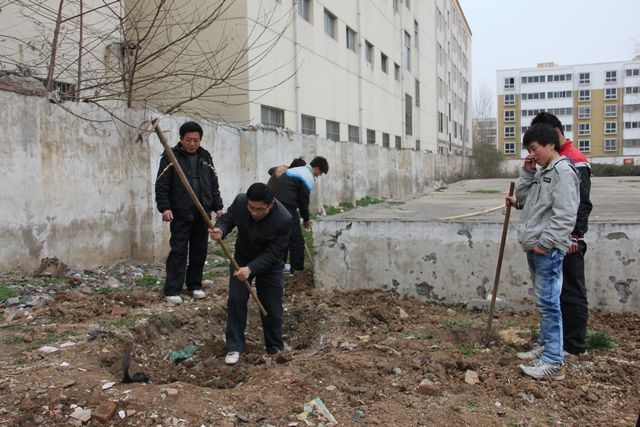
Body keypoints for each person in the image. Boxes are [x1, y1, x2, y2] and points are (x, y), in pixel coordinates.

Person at [505, 123, 579, 380]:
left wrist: (545, 243)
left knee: (549, 302)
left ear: (550, 144)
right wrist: (527, 174)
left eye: (534, 149)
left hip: (546, 248)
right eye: (528, 150)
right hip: (536, 245)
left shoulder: (562, 172)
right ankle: (547, 347)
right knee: (545, 302)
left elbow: (566, 215)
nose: (532, 154)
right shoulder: (543, 171)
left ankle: (553, 362)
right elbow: (525, 201)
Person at [531, 112, 593, 356]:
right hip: (553, 237)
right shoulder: (551, 163)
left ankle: (574, 344)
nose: (533, 153)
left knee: (570, 291)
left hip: (567, 239)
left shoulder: (572, 162)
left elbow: (580, 205)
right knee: (552, 294)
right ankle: (554, 343)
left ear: (553, 134)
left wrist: (576, 236)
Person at [209, 183, 292, 365]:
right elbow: (228, 219)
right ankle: (235, 347)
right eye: (251, 207)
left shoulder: (284, 219)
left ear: (270, 205)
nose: (254, 212)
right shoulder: (240, 202)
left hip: (269, 264)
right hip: (242, 257)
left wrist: (251, 269)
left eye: (259, 209)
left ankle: (274, 347)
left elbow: (274, 252)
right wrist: (220, 230)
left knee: (271, 304)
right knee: (236, 300)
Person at [155, 121, 223, 304]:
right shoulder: (171, 157)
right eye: (189, 140)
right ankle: (173, 290)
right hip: (180, 212)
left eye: (196, 140)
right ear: (181, 139)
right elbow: (161, 185)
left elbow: (213, 183)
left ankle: (195, 285)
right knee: (178, 250)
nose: (192, 144)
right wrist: (165, 207)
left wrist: (218, 206)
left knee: (199, 250)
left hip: (202, 212)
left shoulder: (205, 157)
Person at [272, 156, 329, 274]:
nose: (318, 176)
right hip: (286, 207)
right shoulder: (307, 176)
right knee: (296, 240)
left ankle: (279, 267)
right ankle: (297, 270)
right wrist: (306, 220)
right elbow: (304, 202)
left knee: (282, 237)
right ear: (317, 168)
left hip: (277, 205)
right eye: (320, 173)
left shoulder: (297, 170)